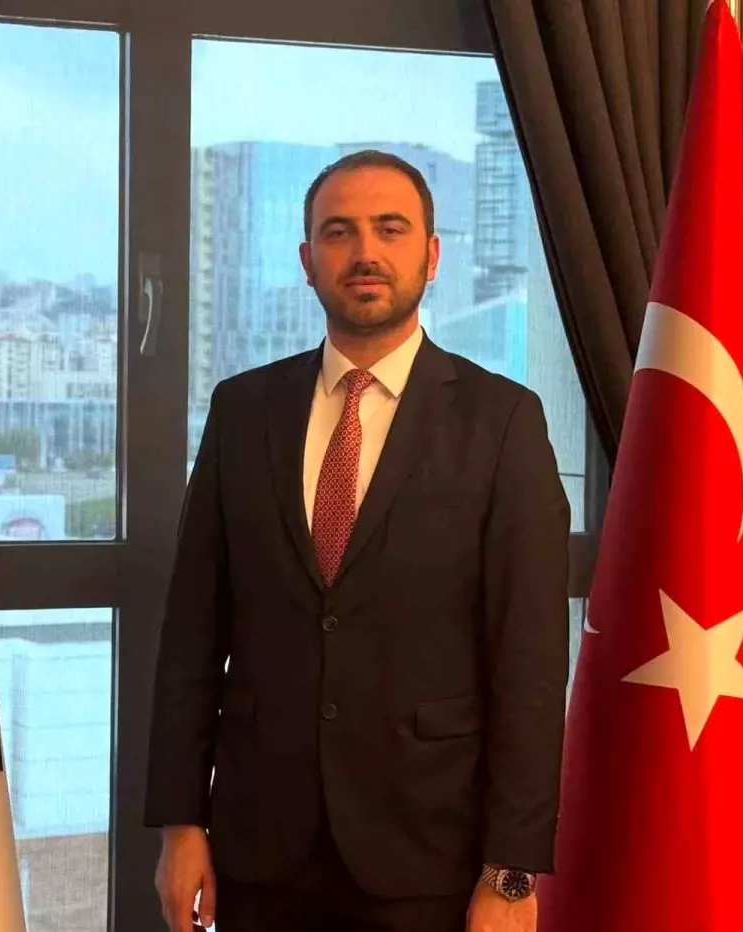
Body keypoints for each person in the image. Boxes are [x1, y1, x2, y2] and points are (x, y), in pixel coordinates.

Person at [145, 149, 571, 932]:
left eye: (390, 229)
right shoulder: (241, 412)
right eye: (339, 232)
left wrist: (510, 874)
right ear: (308, 261)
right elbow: (191, 640)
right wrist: (180, 825)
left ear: (431, 256)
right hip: (258, 851)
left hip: (430, 857)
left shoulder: (502, 422)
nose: (365, 251)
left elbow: (531, 667)